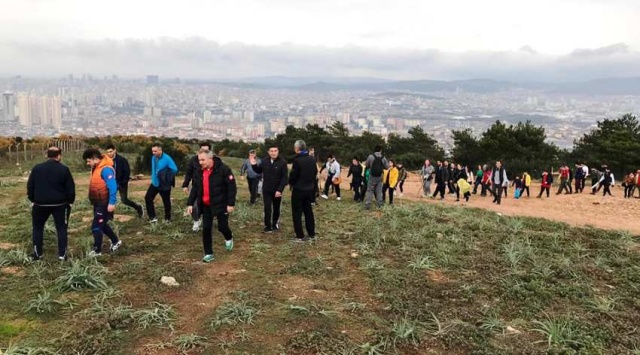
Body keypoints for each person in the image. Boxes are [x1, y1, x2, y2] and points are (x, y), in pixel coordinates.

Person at [187, 149, 236, 263]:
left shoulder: (223, 169)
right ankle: (208, 253)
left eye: (203, 160)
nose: (200, 162)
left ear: (210, 159)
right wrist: (190, 203)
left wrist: (230, 204)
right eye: (199, 160)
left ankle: (228, 237)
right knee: (206, 228)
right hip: (206, 205)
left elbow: (231, 187)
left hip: (221, 204)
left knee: (222, 227)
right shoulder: (199, 171)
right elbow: (195, 188)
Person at [27, 147, 76, 261]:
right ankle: (62, 255)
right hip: (60, 204)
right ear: (59, 156)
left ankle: (37, 254)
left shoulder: (37, 168)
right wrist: (70, 201)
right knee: (61, 228)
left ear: (47, 155)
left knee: (38, 228)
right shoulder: (64, 169)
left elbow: (30, 186)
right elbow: (70, 188)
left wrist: (33, 199)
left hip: (40, 204)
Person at [83, 148, 122, 257]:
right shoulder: (96, 168)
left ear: (95, 159)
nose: (87, 163)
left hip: (104, 203)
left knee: (96, 226)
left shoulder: (106, 170)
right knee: (102, 224)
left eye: (88, 161)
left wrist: (111, 203)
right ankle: (115, 241)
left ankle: (97, 251)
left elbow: (113, 187)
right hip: (97, 202)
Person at [250, 145, 288, 233]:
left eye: (275, 151)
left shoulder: (282, 162)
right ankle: (267, 226)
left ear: (278, 152)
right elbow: (259, 171)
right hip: (266, 189)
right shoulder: (264, 161)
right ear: (268, 152)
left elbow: (284, 178)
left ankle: (274, 224)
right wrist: (254, 164)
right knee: (267, 207)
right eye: (271, 151)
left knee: (276, 208)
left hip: (277, 190)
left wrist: (280, 190)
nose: (273, 153)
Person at [289, 140, 317, 242]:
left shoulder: (297, 161)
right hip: (309, 189)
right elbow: (315, 172)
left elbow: (293, 176)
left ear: (297, 149)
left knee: (297, 212)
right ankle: (311, 233)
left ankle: (300, 235)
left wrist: (291, 183)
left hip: (298, 189)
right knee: (308, 211)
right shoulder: (312, 159)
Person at [105, 144, 143, 218]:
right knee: (110, 199)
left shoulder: (122, 160)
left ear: (115, 150)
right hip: (111, 183)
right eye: (108, 152)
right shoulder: (106, 161)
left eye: (111, 151)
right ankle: (110, 217)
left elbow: (127, 172)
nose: (109, 153)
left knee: (124, 200)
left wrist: (123, 182)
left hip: (121, 183)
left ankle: (138, 207)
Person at [145, 143, 178, 223]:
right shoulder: (153, 158)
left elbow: (174, 169)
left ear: (160, 150)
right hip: (155, 183)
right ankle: (152, 218)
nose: (154, 153)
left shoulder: (167, 158)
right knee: (148, 198)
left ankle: (167, 219)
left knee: (166, 202)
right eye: (152, 151)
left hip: (164, 184)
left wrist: (165, 173)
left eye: (155, 151)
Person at [182, 142, 212, 231]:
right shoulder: (193, 160)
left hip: (209, 188)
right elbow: (189, 173)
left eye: (206, 150)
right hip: (196, 186)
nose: (204, 152)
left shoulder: (213, 160)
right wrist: (185, 185)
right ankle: (196, 220)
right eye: (202, 150)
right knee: (194, 205)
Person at [364, 145, 389, 210]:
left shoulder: (370, 156)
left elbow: (366, 165)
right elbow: (387, 167)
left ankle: (368, 205)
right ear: (380, 150)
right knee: (379, 191)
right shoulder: (383, 158)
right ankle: (379, 204)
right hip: (380, 176)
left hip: (372, 176)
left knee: (370, 190)